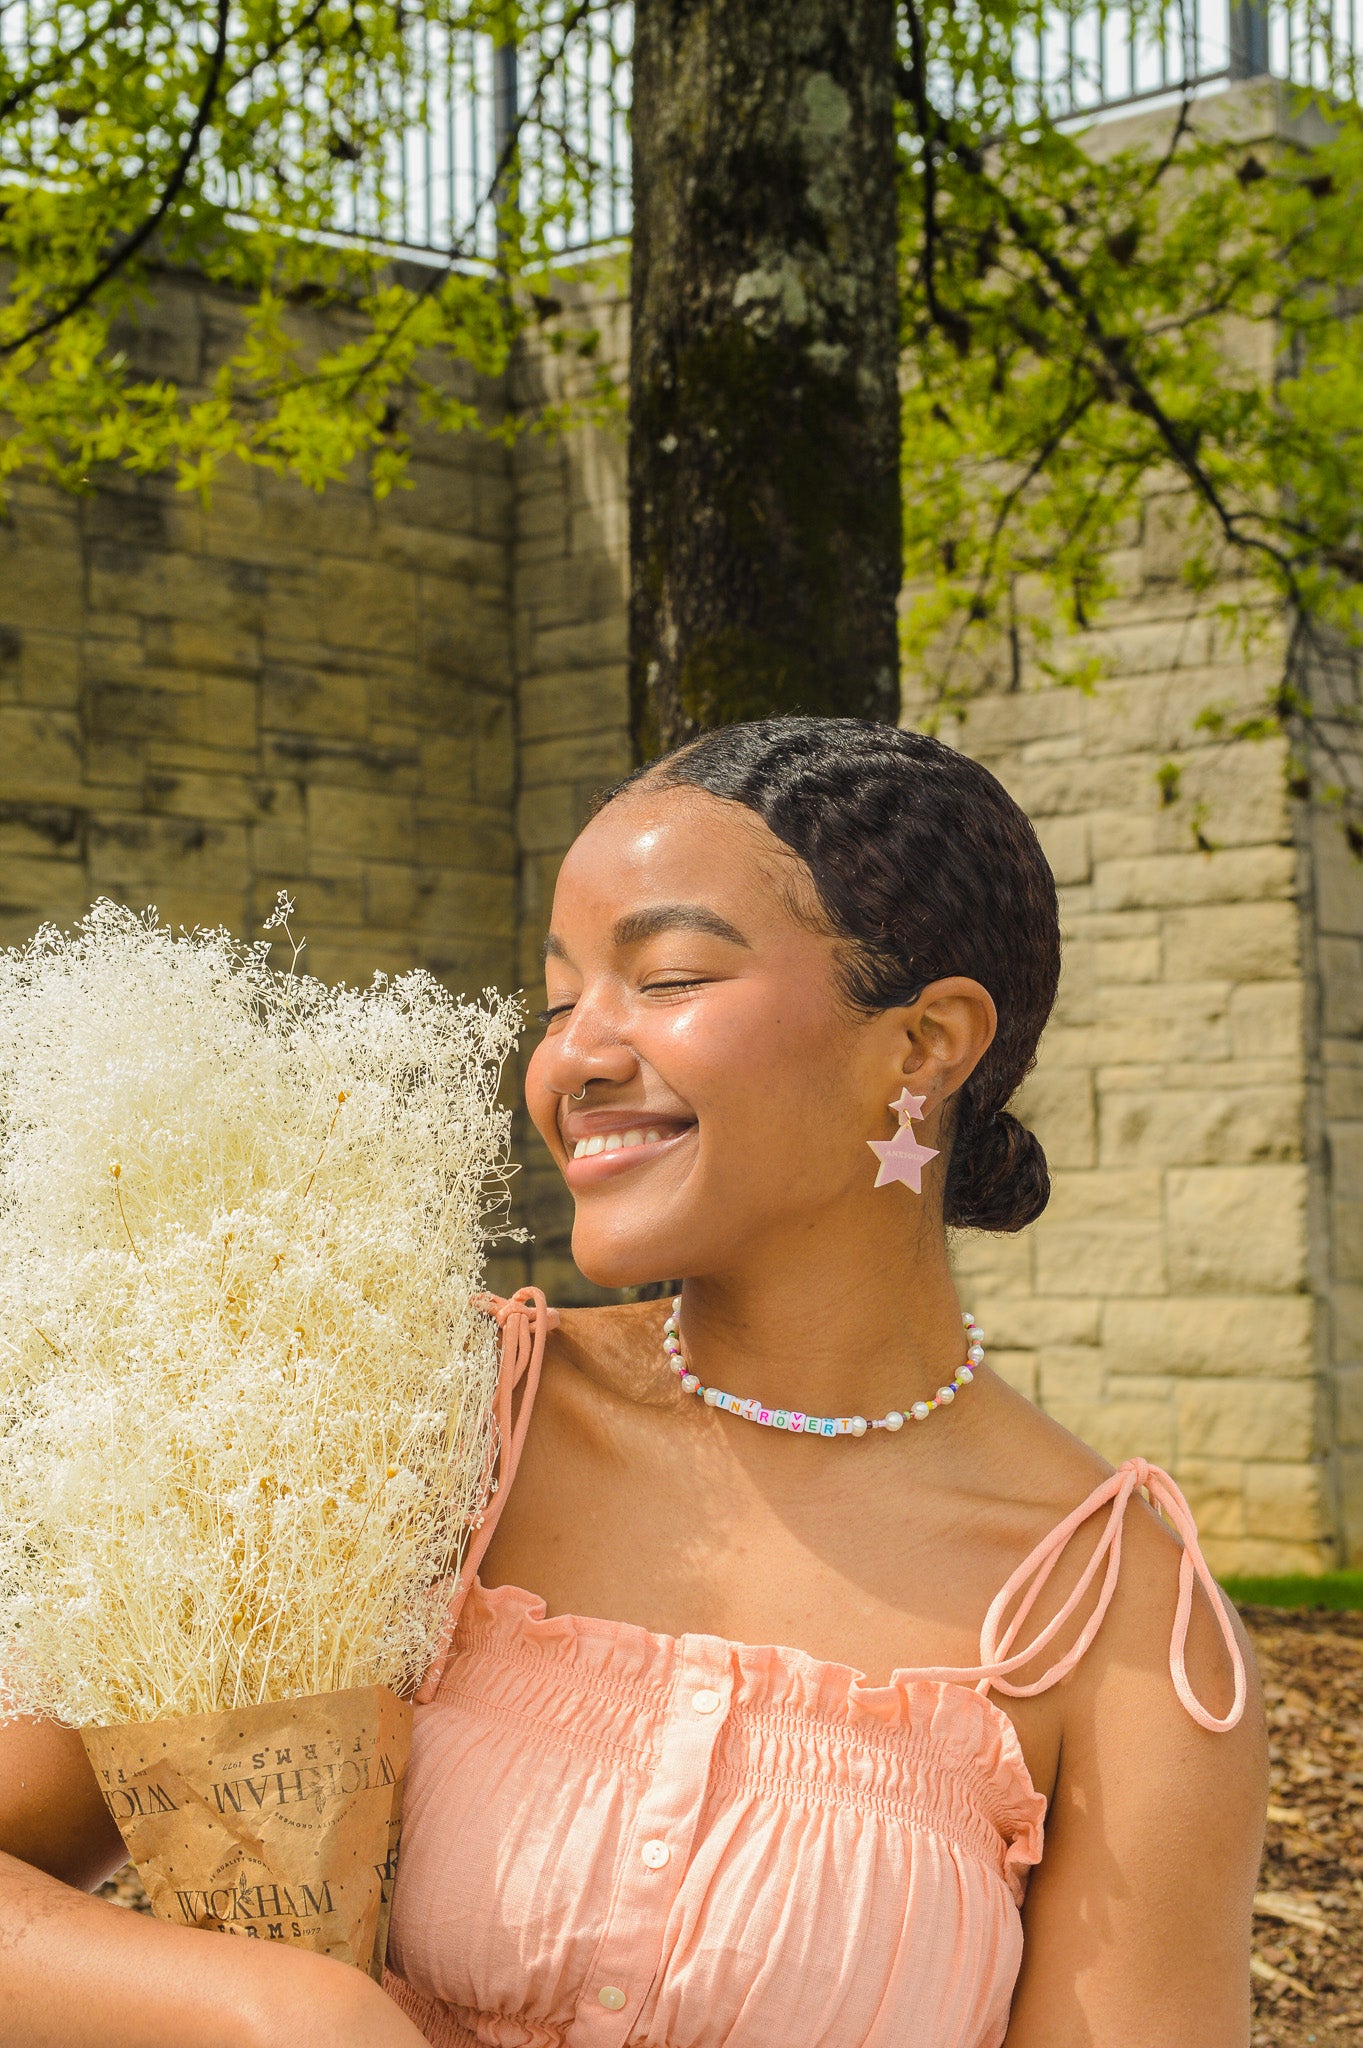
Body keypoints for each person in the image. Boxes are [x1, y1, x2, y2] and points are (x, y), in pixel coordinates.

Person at [0, 717, 1266, 2048]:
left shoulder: (1112, 1623)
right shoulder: (406, 1430)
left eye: (663, 978)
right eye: (562, 1000)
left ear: (923, 1047)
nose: (574, 1058)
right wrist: (279, 2012)